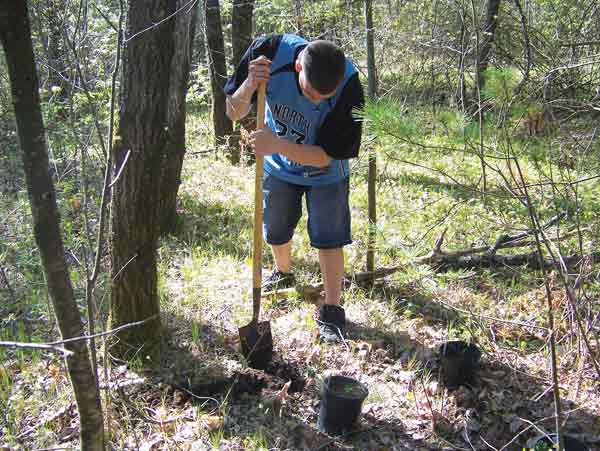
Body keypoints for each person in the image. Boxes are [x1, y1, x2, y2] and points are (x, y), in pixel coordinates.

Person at [224, 34, 364, 344]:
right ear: (298, 66)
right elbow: (233, 111)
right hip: (279, 167)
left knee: (329, 237)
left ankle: (332, 310)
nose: (316, 101)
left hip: (326, 173)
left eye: (323, 96)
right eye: (311, 92)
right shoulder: (270, 52)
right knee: (275, 226)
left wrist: (276, 145)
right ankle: (283, 272)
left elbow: (326, 155)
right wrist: (249, 84)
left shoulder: (350, 85)